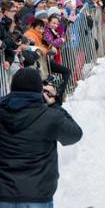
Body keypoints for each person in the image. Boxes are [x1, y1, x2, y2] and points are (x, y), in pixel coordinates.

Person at [0, 68, 83, 207]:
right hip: (38, 195)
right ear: (39, 90)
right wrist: (55, 105)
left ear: (12, 88)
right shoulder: (50, 116)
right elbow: (74, 135)